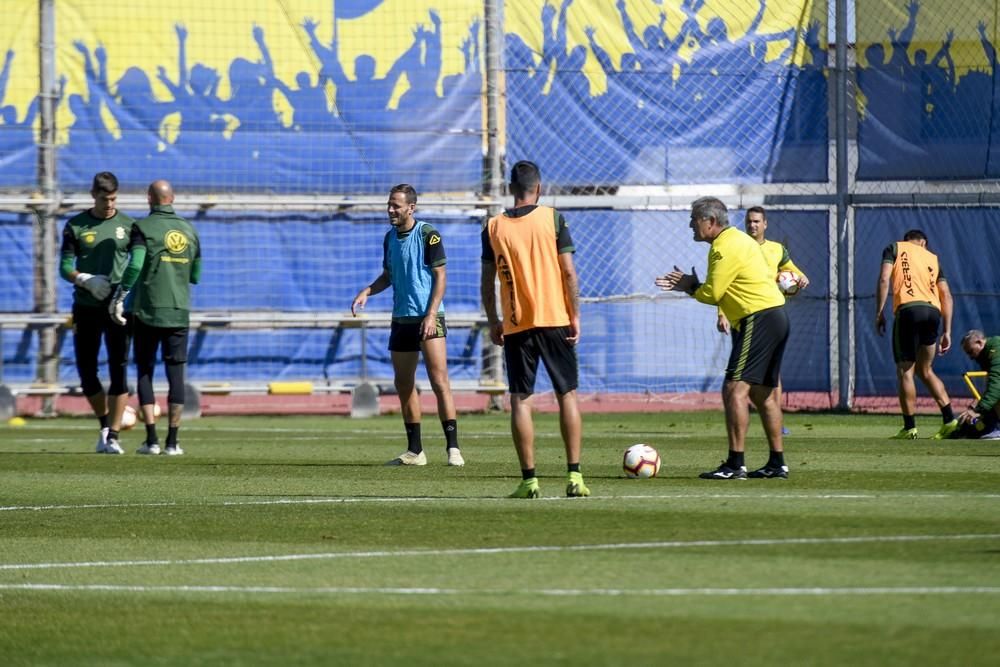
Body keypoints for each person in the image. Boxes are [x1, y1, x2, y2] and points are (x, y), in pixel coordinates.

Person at [656, 197, 790, 479]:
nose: (691, 224)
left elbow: (713, 294)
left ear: (711, 222)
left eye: (695, 219)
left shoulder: (723, 246)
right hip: (774, 315)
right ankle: (777, 463)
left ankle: (735, 463)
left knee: (733, 390)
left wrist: (690, 287)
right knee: (762, 395)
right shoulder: (738, 240)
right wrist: (694, 286)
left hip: (758, 317)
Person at [480, 160, 588, 498]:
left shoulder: (492, 227)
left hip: (517, 324)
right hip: (555, 318)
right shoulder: (553, 218)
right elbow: (568, 272)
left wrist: (493, 320)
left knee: (520, 400)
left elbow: (486, 282)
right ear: (538, 188)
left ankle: (529, 481)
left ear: (511, 189)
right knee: (567, 395)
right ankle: (575, 477)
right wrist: (575, 315)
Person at [351, 184, 464, 467]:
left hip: (429, 317)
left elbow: (440, 276)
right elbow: (388, 275)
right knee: (403, 383)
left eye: (396, 205)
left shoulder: (429, 235)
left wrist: (431, 313)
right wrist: (368, 290)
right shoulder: (389, 238)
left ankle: (453, 448)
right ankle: (415, 451)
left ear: (411, 208)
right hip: (401, 318)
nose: (390, 210)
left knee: (440, 381)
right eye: (389, 204)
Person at [109, 180, 200, 455]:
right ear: (172, 198)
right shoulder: (189, 230)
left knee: (145, 371)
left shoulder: (142, 228)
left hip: (146, 309)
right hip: (178, 310)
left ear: (149, 198)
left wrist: (121, 295)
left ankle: (151, 440)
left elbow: (135, 264)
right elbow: (195, 275)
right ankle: (173, 442)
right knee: (176, 374)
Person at [59, 172, 135, 454]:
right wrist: (85, 279)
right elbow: (65, 266)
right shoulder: (76, 225)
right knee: (86, 371)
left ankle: (113, 435)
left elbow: (137, 260)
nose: (110, 204)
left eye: (114, 198)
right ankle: (105, 425)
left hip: (117, 308)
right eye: (105, 199)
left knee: (119, 368)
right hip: (85, 306)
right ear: (94, 196)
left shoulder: (128, 225)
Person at [717, 206, 809, 436]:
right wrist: (721, 313)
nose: (752, 225)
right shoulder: (738, 248)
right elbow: (724, 283)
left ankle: (775, 421)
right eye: (749, 221)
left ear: (765, 224)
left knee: (770, 376)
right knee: (743, 379)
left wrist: (798, 281)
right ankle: (745, 417)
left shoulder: (777, 250)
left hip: (767, 318)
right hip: (743, 317)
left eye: (757, 221)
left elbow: (798, 275)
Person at [874, 229, 958, 440]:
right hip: (933, 313)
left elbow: (885, 279)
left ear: (908, 241)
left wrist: (879, 311)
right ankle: (950, 420)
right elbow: (946, 295)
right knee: (925, 370)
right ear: (923, 242)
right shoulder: (932, 258)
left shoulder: (895, 248)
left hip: (909, 310)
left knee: (906, 371)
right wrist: (947, 331)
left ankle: (909, 427)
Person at [957, 329, 1000, 439]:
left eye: (971, 351)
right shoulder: (985, 355)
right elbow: (990, 386)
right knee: (974, 429)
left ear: (980, 342)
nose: (970, 357)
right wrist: (975, 405)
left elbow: (996, 386)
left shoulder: (996, 349)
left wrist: (978, 410)